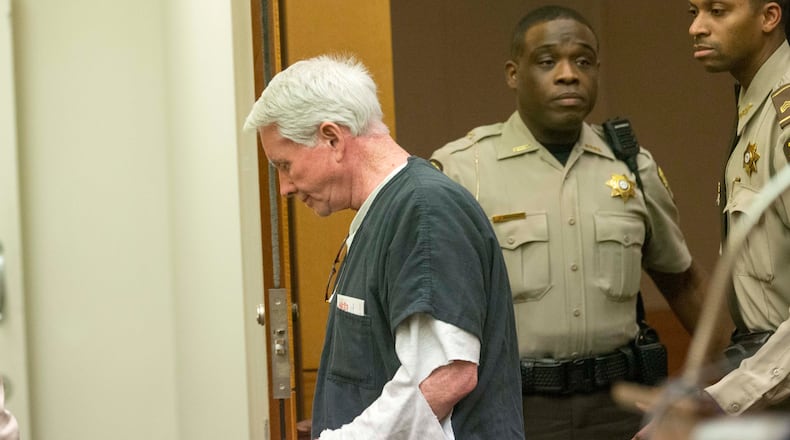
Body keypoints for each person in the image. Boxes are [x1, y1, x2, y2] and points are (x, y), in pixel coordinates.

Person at [431, 6, 709, 439]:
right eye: (547, 62)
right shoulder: (465, 169)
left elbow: (684, 282)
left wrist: (729, 386)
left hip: (622, 408)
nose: (568, 75)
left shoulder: (631, 165)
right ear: (513, 73)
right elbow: (429, 305)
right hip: (515, 408)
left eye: (583, 61)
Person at [244, 54, 524, 439]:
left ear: (332, 139)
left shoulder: (425, 211)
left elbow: (446, 377)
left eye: (285, 165)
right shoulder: (389, 211)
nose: (284, 188)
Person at [688, 0, 790, 415]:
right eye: (692, 11)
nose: (697, 27)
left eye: (717, 10)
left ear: (768, 17)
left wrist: (724, 399)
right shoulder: (756, 103)